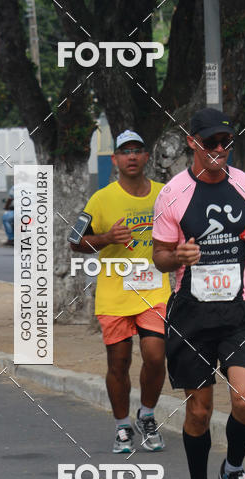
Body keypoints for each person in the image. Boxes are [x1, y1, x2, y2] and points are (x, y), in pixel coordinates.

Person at [152, 108, 245, 479]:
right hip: (191, 314)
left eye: (226, 142)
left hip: (241, 310)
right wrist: (179, 256)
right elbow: (159, 257)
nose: (220, 150)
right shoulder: (172, 195)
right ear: (193, 143)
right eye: (211, 143)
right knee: (199, 411)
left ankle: (232, 469)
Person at [70, 130, 170, 454]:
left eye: (137, 151)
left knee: (155, 356)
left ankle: (148, 414)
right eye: (124, 152)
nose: (131, 157)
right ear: (115, 159)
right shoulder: (101, 198)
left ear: (146, 157)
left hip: (153, 289)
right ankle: (123, 425)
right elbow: (74, 240)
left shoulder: (164, 194)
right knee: (119, 362)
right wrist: (106, 238)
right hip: (114, 291)